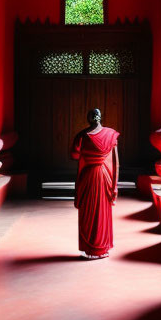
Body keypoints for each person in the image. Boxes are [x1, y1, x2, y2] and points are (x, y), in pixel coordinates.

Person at [71, 108, 120, 259]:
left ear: (89, 119)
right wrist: (114, 184)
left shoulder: (82, 136)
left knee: (88, 213)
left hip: (88, 177)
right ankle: (102, 249)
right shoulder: (111, 134)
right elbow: (117, 163)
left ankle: (90, 249)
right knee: (102, 212)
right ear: (100, 118)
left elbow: (74, 155)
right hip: (104, 176)